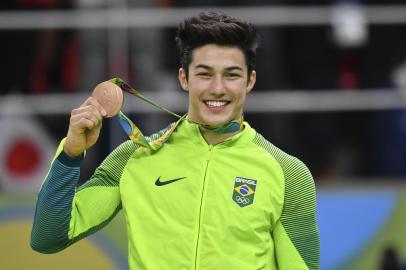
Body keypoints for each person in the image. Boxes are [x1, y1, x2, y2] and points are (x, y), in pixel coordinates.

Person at [31, 11, 320, 270]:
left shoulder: (289, 174)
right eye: (204, 74)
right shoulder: (135, 157)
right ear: (184, 78)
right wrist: (70, 154)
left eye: (231, 75)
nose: (217, 89)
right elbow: (48, 236)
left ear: (250, 81)